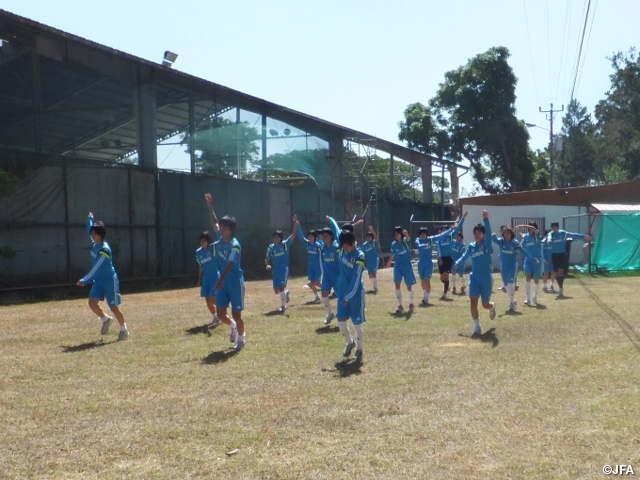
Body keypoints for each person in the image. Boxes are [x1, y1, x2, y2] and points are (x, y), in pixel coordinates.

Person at [77, 212, 129, 341]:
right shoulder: (95, 243)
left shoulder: (104, 250)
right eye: (92, 234)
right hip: (99, 280)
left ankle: (124, 329)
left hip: (109, 280)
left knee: (113, 307)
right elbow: (90, 229)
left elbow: (96, 268)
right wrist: (90, 219)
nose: (92, 236)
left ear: (101, 235)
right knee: (92, 303)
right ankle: (106, 320)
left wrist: (85, 280)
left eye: (95, 234)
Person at [453, 210, 495, 337]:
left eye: (479, 233)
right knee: (473, 301)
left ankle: (492, 307)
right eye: (475, 233)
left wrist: (486, 219)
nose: (476, 235)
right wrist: (458, 263)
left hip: (486, 278)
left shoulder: (487, 245)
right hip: (475, 277)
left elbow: (487, 230)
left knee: (485, 304)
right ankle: (477, 326)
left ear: (483, 234)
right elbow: (465, 256)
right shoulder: (471, 246)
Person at [215, 214, 246, 350]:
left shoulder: (235, 245)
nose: (221, 230)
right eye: (221, 228)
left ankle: (241, 338)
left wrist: (220, 280)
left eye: (224, 228)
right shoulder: (220, 240)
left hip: (234, 282)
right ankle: (233, 325)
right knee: (220, 314)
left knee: (236, 314)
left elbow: (229, 265)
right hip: (223, 283)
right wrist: (210, 206)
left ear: (231, 230)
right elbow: (214, 222)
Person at [491, 225, 538, 311]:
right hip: (504, 266)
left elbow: (524, 252)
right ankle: (513, 300)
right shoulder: (501, 242)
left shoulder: (515, 243)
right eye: (505, 233)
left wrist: (532, 258)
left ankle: (512, 303)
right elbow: (493, 239)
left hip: (512, 265)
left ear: (511, 234)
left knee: (510, 284)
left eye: (508, 233)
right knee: (506, 286)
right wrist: (492, 235)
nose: (506, 235)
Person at [414, 221, 462, 305]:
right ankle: (425, 293)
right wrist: (424, 245)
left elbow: (441, 236)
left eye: (424, 234)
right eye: (421, 234)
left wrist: (450, 229)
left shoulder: (431, 240)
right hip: (421, 264)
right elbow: (419, 246)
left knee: (427, 280)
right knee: (423, 282)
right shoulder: (418, 240)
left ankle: (426, 299)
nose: (423, 235)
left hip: (428, 264)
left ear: (426, 234)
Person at [336, 230, 366, 363]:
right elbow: (336, 228)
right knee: (341, 322)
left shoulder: (359, 256)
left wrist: (348, 296)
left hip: (355, 295)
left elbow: (356, 279)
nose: (345, 249)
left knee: (356, 324)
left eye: (347, 246)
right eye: (343, 246)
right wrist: (330, 220)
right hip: (342, 293)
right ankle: (350, 342)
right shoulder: (342, 250)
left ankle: (359, 350)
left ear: (353, 243)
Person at [547, 222, 591, 297]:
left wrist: (584, 236)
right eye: (552, 228)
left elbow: (573, 235)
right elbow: (549, 236)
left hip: (562, 254)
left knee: (560, 272)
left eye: (555, 227)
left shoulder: (563, 233)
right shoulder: (551, 234)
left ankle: (561, 289)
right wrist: (549, 240)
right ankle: (556, 285)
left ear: (558, 227)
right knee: (555, 272)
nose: (554, 229)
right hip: (554, 255)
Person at [265, 220, 297, 313]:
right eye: (274, 237)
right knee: (276, 290)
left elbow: (293, 235)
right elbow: (267, 258)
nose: (276, 239)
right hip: (275, 270)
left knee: (281, 286)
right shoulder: (271, 247)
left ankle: (283, 306)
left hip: (284, 269)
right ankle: (285, 294)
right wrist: (267, 264)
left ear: (281, 238)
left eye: (277, 237)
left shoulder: (285, 244)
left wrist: (295, 224)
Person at [199, 193, 221, 327]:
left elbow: (216, 223)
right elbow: (214, 222)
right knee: (208, 299)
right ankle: (216, 316)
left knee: (215, 298)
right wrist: (210, 206)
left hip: (221, 275)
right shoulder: (201, 251)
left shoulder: (218, 246)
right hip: (208, 278)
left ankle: (223, 310)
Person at [435, 212, 468, 299]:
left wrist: (463, 218)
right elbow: (438, 248)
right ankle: (447, 286)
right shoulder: (439, 239)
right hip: (441, 259)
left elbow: (458, 228)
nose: (444, 231)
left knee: (446, 275)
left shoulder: (450, 237)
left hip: (448, 259)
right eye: (442, 230)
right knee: (442, 277)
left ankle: (445, 293)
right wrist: (439, 258)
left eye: (446, 230)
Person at [386, 226, 416, 313]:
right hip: (398, 266)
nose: (396, 235)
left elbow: (408, 239)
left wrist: (406, 235)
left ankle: (411, 303)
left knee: (409, 286)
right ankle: (400, 305)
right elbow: (392, 254)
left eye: (398, 233)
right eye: (395, 234)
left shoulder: (405, 242)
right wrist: (389, 262)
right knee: (397, 284)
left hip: (407, 265)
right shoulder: (393, 244)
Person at [318, 216, 342, 325]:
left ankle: (342, 313)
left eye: (326, 235)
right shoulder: (323, 248)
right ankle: (329, 314)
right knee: (324, 293)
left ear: (331, 236)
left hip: (337, 276)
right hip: (327, 276)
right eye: (323, 236)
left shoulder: (336, 247)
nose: (324, 237)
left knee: (341, 296)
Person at [294, 215, 322, 303]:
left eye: (311, 236)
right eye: (309, 236)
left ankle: (326, 288)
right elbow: (301, 237)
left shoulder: (318, 246)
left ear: (315, 237)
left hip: (318, 266)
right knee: (312, 282)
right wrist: (298, 225)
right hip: (311, 266)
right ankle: (317, 297)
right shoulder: (308, 244)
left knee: (316, 282)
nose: (310, 238)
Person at [517, 222, 543, 305]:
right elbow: (520, 246)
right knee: (528, 275)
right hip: (528, 260)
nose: (531, 229)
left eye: (532, 227)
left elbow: (536, 231)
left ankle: (535, 295)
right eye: (530, 227)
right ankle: (527, 298)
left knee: (536, 278)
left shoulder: (537, 236)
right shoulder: (526, 237)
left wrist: (523, 225)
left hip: (537, 260)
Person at [362, 225, 379, 293]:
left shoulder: (373, 243)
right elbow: (363, 254)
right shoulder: (365, 245)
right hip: (368, 261)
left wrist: (372, 231)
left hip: (374, 260)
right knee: (370, 276)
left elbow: (376, 238)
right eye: (367, 237)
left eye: (370, 237)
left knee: (374, 273)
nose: (369, 238)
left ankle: (375, 288)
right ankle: (373, 284)